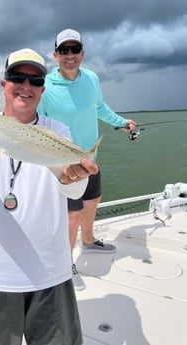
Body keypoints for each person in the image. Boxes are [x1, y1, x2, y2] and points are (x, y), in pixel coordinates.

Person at [0, 48, 98, 345]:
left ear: (43, 90)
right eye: (17, 77)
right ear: (3, 84)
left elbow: (74, 189)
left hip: (50, 273)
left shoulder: (57, 130)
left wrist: (73, 177)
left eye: (35, 81)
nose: (26, 86)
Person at [38, 29, 136, 291]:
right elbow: (38, 125)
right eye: (64, 51)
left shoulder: (91, 78)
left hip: (90, 158)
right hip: (63, 164)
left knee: (92, 200)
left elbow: (99, 106)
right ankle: (65, 263)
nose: (70, 55)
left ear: (82, 53)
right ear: (55, 55)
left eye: (75, 50)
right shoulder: (46, 86)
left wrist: (121, 123)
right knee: (72, 215)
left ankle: (89, 241)